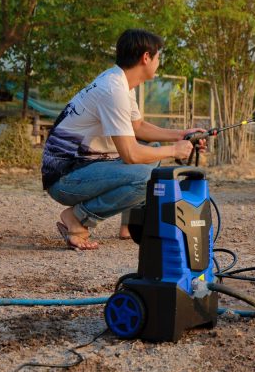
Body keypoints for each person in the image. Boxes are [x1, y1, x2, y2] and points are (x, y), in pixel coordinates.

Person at [41, 28, 203, 250]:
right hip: (64, 179)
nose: (158, 63)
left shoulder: (120, 81)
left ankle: (128, 226)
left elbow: (137, 126)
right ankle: (77, 218)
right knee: (147, 175)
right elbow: (130, 153)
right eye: (158, 57)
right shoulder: (113, 89)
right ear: (146, 57)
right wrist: (174, 151)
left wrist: (181, 135)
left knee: (152, 152)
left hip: (82, 168)